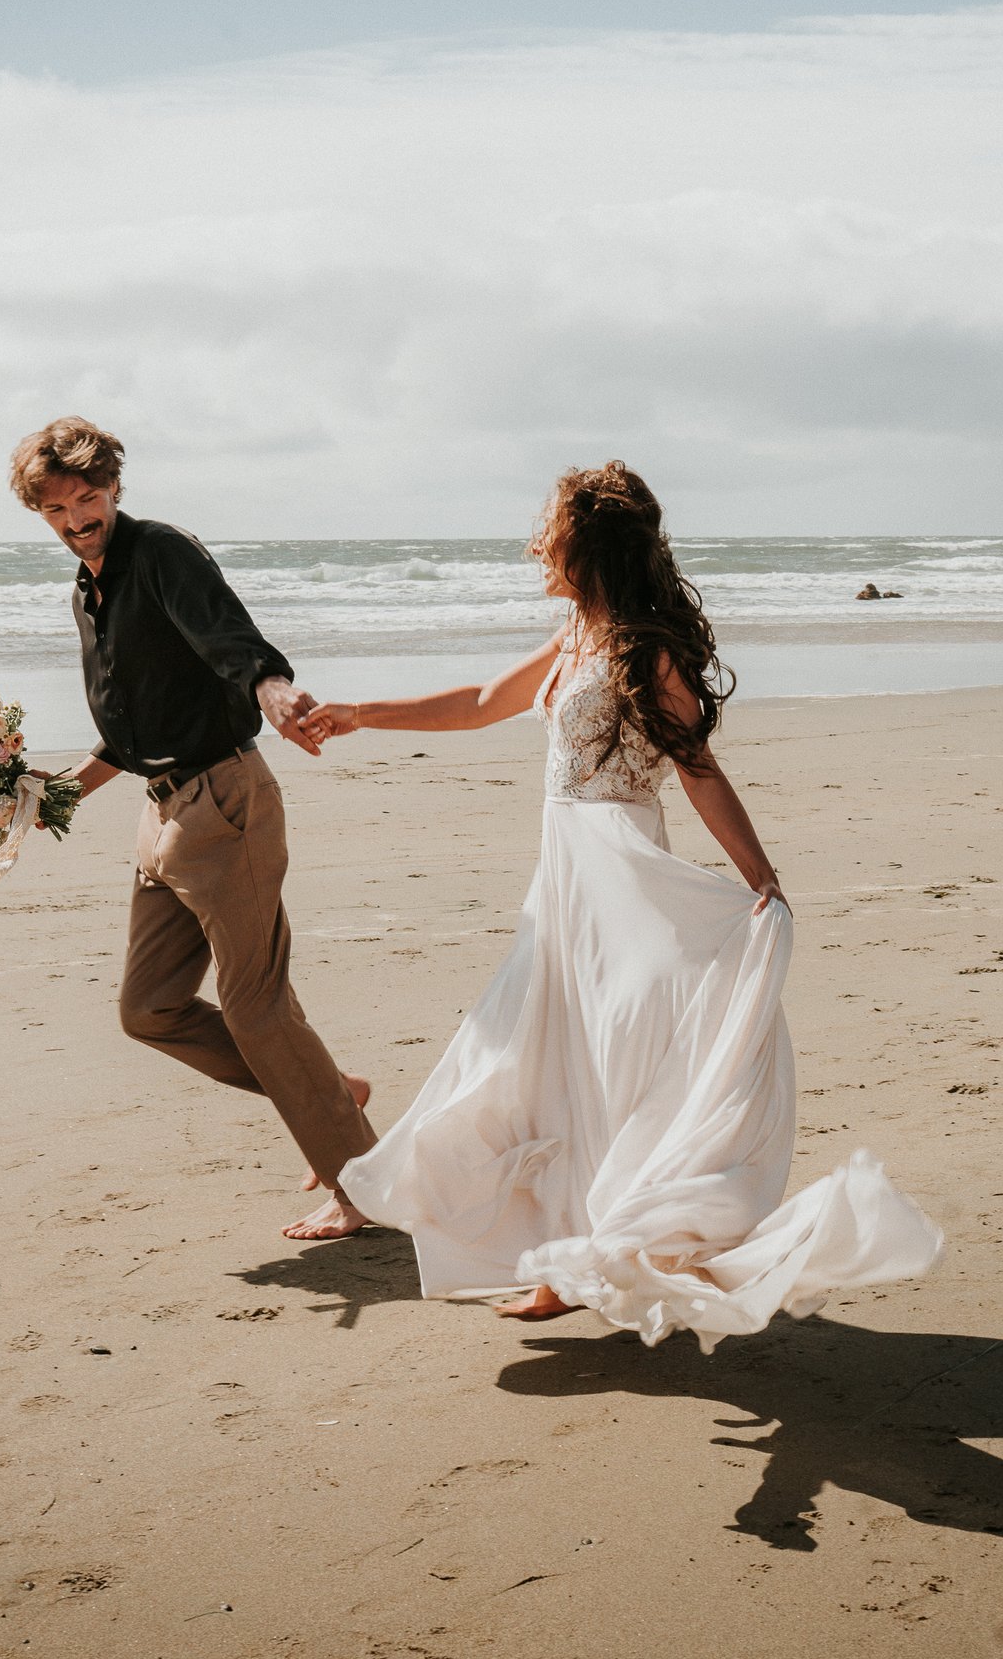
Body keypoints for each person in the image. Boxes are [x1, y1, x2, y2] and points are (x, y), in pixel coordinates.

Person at [308, 462, 941, 1343]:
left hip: (626, 877)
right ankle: (568, 1260)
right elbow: (485, 701)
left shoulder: (645, 646)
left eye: (551, 533)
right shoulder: (577, 632)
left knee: (613, 1056)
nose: (538, 545)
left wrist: (760, 876)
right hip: (565, 882)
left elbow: (696, 767)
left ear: (588, 546)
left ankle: (593, 1252)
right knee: (545, 1060)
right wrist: (359, 713)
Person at [11, 417, 377, 1241]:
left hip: (226, 805)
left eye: (88, 498)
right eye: (58, 511)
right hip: (163, 814)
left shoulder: (161, 554)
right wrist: (57, 794)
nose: (77, 520)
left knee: (256, 1008)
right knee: (148, 1008)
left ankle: (362, 1185)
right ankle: (326, 1087)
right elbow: (138, 724)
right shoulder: (88, 588)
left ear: (114, 488)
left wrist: (275, 690)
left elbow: (229, 639)